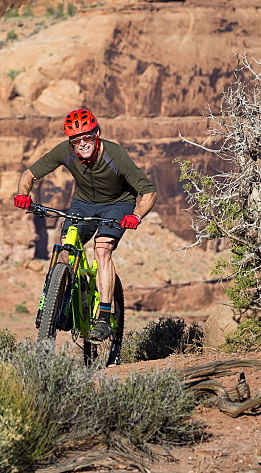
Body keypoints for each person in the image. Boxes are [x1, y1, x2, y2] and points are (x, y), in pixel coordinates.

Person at [14, 108, 157, 342]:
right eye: (75, 139)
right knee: (66, 246)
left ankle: (103, 316)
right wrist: (22, 194)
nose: (82, 144)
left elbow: (148, 192)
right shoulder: (65, 151)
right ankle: (57, 303)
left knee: (102, 249)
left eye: (86, 137)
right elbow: (29, 174)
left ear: (96, 134)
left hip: (117, 203)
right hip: (84, 203)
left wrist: (137, 215)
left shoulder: (115, 154)